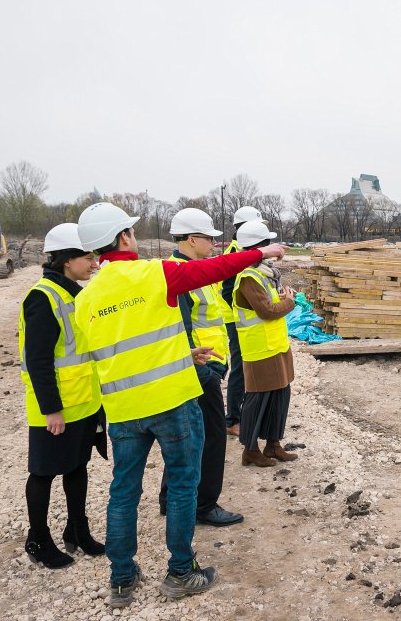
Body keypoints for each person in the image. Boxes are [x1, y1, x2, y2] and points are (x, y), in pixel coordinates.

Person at [73, 202, 285, 608]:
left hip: (122, 409)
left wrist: (184, 354)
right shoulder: (156, 273)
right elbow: (215, 270)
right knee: (184, 485)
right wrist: (260, 252)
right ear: (123, 238)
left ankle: (121, 580)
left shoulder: (85, 299)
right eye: (131, 231)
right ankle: (181, 572)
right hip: (172, 400)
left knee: (123, 492)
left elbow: (108, 355)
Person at [20, 223, 105, 569]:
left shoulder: (77, 293)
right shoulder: (43, 297)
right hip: (56, 408)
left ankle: (77, 530)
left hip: (84, 401)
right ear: (67, 261)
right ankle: (38, 539)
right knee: (43, 472)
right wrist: (52, 409)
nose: (94, 261)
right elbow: (37, 360)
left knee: (77, 467)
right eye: (87, 256)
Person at [157, 208, 243, 527]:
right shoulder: (180, 274)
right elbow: (180, 327)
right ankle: (204, 505)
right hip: (199, 370)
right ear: (192, 240)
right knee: (209, 437)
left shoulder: (190, 269)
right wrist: (206, 371)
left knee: (188, 434)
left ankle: (170, 498)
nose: (214, 244)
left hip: (206, 366)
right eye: (209, 238)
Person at [232, 219, 299, 467]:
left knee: (280, 395)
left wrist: (282, 297)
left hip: (276, 346)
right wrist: (289, 302)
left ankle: (273, 445)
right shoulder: (249, 277)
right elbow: (267, 311)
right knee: (258, 400)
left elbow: (270, 306)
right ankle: (250, 450)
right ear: (260, 246)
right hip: (259, 350)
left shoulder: (265, 274)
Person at [219, 206, 267, 437]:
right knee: (240, 367)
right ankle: (232, 420)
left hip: (242, 320)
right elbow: (227, 293)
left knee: (248, 366)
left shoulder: (244, 251)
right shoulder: (235, 255)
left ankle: (245, 413)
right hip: (236, 320)